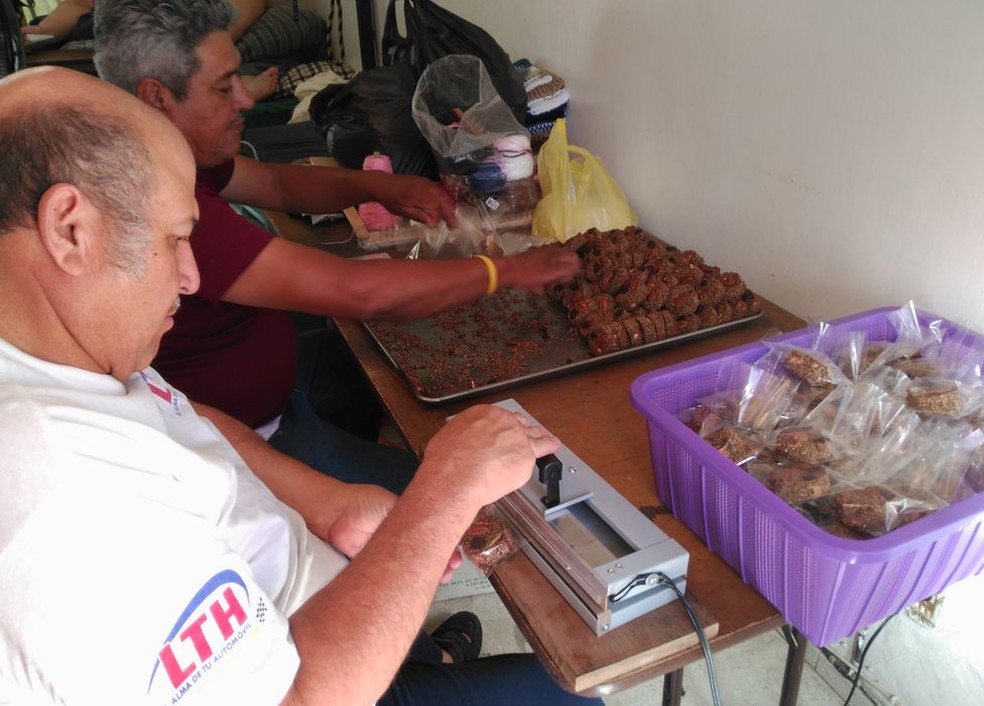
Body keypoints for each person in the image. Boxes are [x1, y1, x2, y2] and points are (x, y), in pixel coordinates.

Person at [0, 65, 602, 706]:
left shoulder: (59, 344)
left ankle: (424, 658)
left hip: (303, 597)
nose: (189, 276)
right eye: (174, 239)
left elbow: (183, 414)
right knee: (578, 692)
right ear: (71, 229)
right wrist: (444, 492)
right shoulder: (64, 496)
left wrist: (324, 502)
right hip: (315, 678)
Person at [92, 0, 581, 494]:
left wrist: (376, 188)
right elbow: (358, 293)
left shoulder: (169, 153)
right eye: (223, 88)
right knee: (468, 498)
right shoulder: (156, 203)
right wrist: (506, 272)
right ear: (156, 98)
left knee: (363, 369)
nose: (245, 99)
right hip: (242, 448)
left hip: (275, 396)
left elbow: (278, 186)